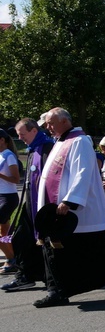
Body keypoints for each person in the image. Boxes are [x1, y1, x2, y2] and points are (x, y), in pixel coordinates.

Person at [32, 107, 105, 308]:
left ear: (64, 121)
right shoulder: (61, 141)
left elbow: (82, 173)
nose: (47, 127)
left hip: (77, 211)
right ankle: (56, 290)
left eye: (51, 123)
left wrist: (69, 201)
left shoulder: (79, 141)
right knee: (55, 251)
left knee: (89, 254)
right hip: (55, 209)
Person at [1, 118, 54, 291]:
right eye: (18, 135)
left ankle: (48, 280)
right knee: (21, 239)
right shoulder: (33, 149)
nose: (20, 138)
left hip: (43, 204)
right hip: (30, 202)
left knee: (43, 243)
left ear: (34, 131)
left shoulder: (47, 147)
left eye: (22, 134)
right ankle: (26, 275)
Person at [0, 129, 22, 274]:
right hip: (1, 196)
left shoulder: (9, 156)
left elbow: (16, 179)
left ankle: (12, 259)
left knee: (3, 233)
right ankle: (14, 259)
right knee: (4, 233)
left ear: (2, 140)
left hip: (8, 198)